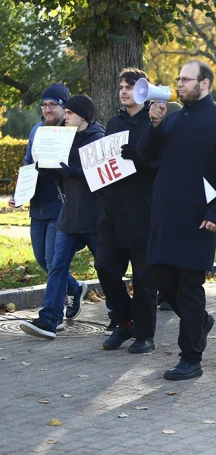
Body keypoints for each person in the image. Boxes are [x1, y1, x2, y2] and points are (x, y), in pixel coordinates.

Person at [138, 60, 216, 380]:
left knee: (188, 287)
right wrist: (153, 125)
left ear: (205, 83)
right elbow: (144, 155)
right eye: (178, 79)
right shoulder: (172, 119)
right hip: (164, 218)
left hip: (199, 219)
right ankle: (201, 323)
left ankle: (191, 358)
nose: (179, 84)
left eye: (186, 79)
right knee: (159, 279)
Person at [20, 95, 105, 338]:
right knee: (56, 265)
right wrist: (51, 172)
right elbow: (63, 179)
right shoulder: (64, 138)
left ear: (83, 117)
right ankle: (49, 318)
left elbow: (101, 179)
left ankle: (121, 316)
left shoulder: (97, 138)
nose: (65, 117)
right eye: (65, 112)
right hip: (69, 217)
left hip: (92, 218)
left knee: (106, 268)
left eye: (69, 113)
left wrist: (74, 172)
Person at [8, 84, 87, 329]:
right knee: (42, 259)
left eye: (53, 104)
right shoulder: (36, 130)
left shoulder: (72, 132)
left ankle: (56, 312)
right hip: (37, 205)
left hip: (62, 206)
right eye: (44, 104)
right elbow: (28, 164)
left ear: (65, 107)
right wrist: (19, 194)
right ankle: (77, 288)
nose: (48, 109)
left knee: (55, 261)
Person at [96, 68, 158, 353]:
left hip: (144, 210)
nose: (123, 91)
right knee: (105, 266)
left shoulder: (155, 123)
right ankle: (125, 322)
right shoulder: (113, 122)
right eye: (121, 86)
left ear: (143, 91)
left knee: (144, 278)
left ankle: (145, 334)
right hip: (114, 209)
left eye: (130, 87)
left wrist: (140, 159)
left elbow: (162, 166)